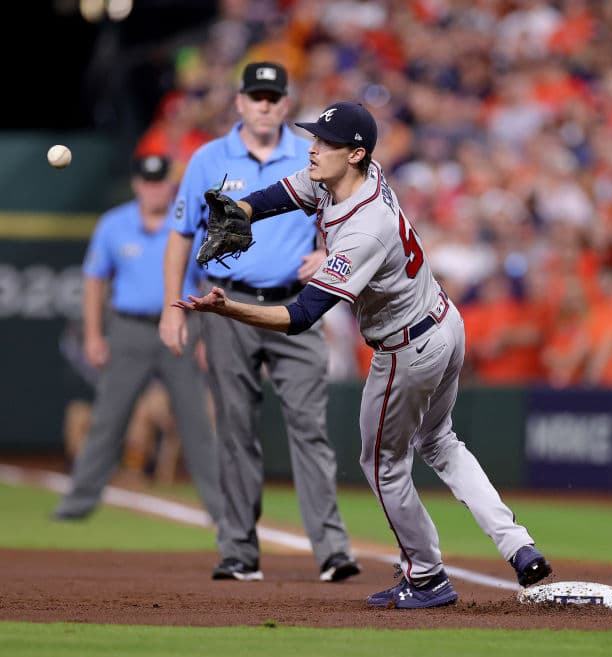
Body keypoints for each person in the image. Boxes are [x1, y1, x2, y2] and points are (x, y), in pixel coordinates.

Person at [172, 101, 553, 609]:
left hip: (407, 346)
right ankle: (517, 545)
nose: (311, 148)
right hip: (443, 321)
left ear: (354, 154)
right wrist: (240, 211)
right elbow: (283, 194)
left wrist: (229, 309)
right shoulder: (350, 176)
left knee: (380, 464)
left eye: (324, 143)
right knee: (439, 442)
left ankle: (427, 575)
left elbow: (302, 316)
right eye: (313, 138)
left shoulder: (363, 228)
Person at [159, 62, 359, 583]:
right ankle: (239, 550)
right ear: (241, 102)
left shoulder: (312, 154)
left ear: (286, 104)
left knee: (310, 426)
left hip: (296, 305)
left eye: (273, 96)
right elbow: (181, 233)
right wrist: (170, 306)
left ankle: (333, 551)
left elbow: (355, 217)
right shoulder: (208, 158)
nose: (265, 105)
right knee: (235, 427)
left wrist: (329, 252)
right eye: (257, 96)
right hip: (229, 305)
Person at [52, 154, 222, 523]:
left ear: (170, 187)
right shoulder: (114, 224)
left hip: (180, 326)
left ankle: (222, 512)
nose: (154, 189)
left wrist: (208, 336)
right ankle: (76, 505)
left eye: (161, 182)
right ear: (136, 185)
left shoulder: (188, 226)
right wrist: (94, 335)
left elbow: (207, 284)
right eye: (148, 182)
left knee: (195, 422)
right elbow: (95, 281)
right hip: (128, 328)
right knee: (108, 419)